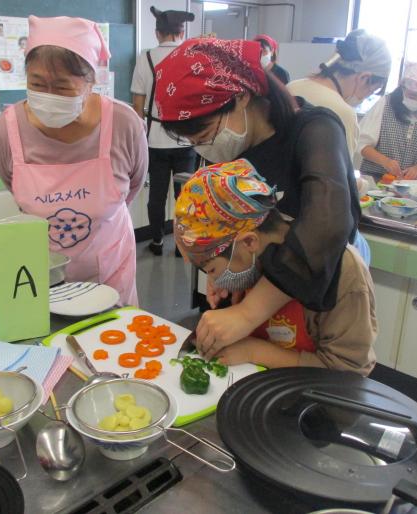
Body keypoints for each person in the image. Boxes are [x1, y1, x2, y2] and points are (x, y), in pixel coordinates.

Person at [154, 38, 360, 356]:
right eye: (193, 140)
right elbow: (226, 225)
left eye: (205, 133)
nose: (203, 148)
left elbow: (327, 226)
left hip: (318, 295)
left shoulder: (314, 129)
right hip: (267, 307)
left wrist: (248, 313)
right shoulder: (235, 144)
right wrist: (226, 270)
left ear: (241, 96)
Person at [0, 16, 148, 306]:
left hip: (110, 271)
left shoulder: (124, 125)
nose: (48, 96)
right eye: (37, 83)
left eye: (62, 87)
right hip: (42, 276)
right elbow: (16, 193)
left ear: (91, 81)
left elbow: (133, 186)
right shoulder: (5, 131)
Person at [175, 160, 377, 376]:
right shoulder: (251, 257)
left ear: (249, 243)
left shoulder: (344, 274)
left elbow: (349, 373)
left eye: (212, 270)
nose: (214, 282)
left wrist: (255, 351)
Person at [131, 6, 198, 256]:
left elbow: (137, 107)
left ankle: (157, 241)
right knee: (186, 196)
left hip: (155, 140)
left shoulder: (145, 58)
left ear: (157, 33)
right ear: (182, 32)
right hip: (186, 139)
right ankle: (182, 245)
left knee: (157, 196)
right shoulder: (192, 58)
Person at [287, 29, 390, 157]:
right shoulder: (343, 113)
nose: (365, 97)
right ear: (364, 78)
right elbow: (339, 174)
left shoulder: (292, 86)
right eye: (371, 91)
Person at [358, 59, 417, 181]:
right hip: (376, 177)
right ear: (403, 88)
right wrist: (386, 161)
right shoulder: (386, 104)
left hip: (415, 184)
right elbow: (362, 143)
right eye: (412, 95)